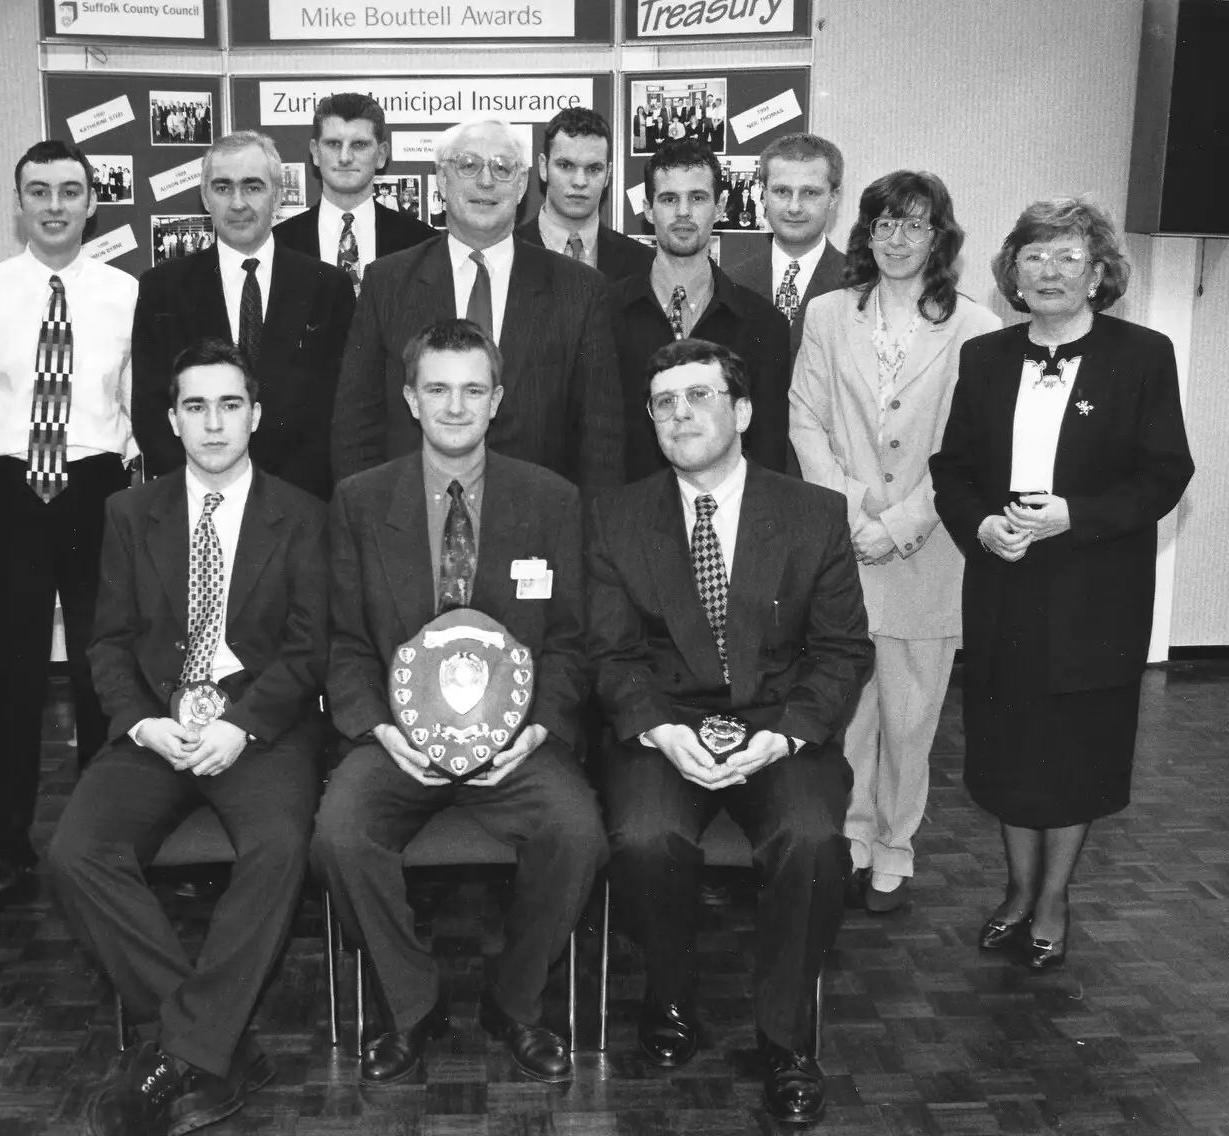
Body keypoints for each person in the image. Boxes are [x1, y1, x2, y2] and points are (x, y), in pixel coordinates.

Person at [312, 319, 608, 1087]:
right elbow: (344, 643)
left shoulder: (552, 500)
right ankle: (413, 1006)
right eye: (437, 389)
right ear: (411, 399)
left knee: (578, 833)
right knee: (340, 834)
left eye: (472, 389)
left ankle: (515, 1002)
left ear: (497, 399)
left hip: (517, 744)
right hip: (397, 743)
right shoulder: (358, 501)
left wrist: (540, 727)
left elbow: (572, 641)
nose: (454, 406)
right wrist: (378, 728)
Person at [588, 337, 873, 1126]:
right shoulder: (616, 516)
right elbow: (607, 653)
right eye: (664, 402)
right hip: (666, 727)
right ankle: (670, 994)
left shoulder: (812, 514)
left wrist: (783, 739)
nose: (681, 414)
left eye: (699, 396)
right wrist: (655, 731)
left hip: (777, 726)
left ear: (742, 411)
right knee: (644, 837)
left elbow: (844, 650)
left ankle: (787, 1040)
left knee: (814, 840)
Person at [48, 339, 327, 1135]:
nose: (214, 423)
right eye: (196, 407)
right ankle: (214, 1040)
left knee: (278, 848)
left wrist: (240, 726)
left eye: (230, 405)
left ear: (256, 415)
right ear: (171, 420)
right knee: (75, 853)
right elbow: (106, 641)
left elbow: (309, 649)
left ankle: (185, 1048)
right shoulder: (131, 513)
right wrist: (143, 721)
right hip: (157, 723)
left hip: (257, 727)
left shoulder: (302, 515)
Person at [931, 197, 1193, 969]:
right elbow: (954, 469)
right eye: (1033, 257)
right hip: (1005, 583)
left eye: (1068, 257)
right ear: (1012, 271)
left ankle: (1053, 899)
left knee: (1076, 752)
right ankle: (1015, 889)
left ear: (1101, 273)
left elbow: (1165, 473)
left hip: (1095, 586)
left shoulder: (1143, 355)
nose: (1048, 272)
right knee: (1010, 748)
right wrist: (982, 525)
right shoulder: (983, 358)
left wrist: (1073, 515)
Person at [790, 171, 1001, 914]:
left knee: (912, 718)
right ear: (865, 232)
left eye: (914, 225)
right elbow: (805, 422)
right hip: (843, 547)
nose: (898, 239)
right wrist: (851, 515)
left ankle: (894, 846)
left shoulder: (975, 327)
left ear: (940, 236)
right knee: (848, 710)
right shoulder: (827, 314)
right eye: (883, 224)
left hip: (927, 545)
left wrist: (902, 524)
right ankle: (847, 839)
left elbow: (973, 446)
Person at [0, 140, 138, 916]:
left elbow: (135, 402)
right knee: (6, 679)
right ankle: (3, 848)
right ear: (19, 203)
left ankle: (100, 841)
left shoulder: (126, 294)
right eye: (40, 192)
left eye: (70, 191)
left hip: (97, 487)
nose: (55, 205)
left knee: (106, 673)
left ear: (93, 202)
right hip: (8, 489)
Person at [332, 118, 622, 495]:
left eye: (503, 168)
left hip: (539, 526)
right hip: (410, 525)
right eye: (468, 165)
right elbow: (356, 424)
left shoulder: (579, 290)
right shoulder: (387, 282)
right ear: (441, 179)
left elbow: (602, 441)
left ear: (521, 186)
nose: (486, 181)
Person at [133, 130, 355, 500]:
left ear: (279, 196)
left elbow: (339, 410)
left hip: (301, 505)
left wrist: (293, 500)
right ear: (205, 197)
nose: (238, 203)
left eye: (252, 187)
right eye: (223, 188)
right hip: (198, 499)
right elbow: (152, 409)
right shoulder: (163, 289)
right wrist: (200, 491)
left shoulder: (326, 287)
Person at [610, 138, 791, 480]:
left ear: (721, 206)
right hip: (629, 517)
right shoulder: (605, 313)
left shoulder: (763, 325)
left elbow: (768, 452)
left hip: (728, 522)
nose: (683, 212)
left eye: (697, 198)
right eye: (668, 199)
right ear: (648, 209)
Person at [273, 93, 437, 294]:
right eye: (333, 144)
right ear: (316, 153)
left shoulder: (422, 242)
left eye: (359, 145)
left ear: (381, 155)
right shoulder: (278, 243)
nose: (345, 157)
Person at [726, 134, 849, 360]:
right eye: (782, 191)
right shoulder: (730, 285)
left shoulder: (859, 285)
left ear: (833, 197)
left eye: (810, 193)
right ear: (762, 194)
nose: (794, 207)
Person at [515, 107, 654, 282]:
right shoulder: (506, 254)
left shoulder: (643, 263)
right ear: (543, 167)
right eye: (565, 166)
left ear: (608, 175)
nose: (580, 182)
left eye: (593, 169)